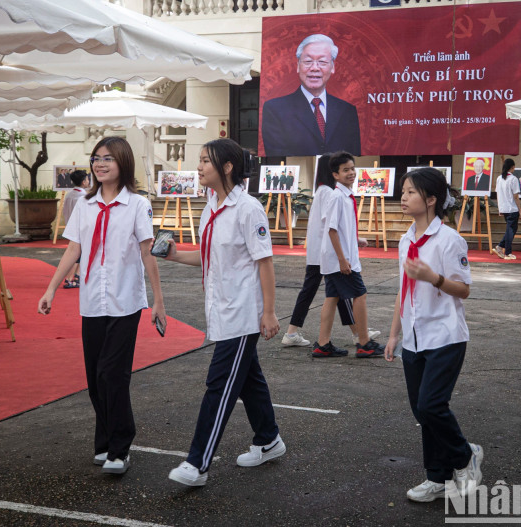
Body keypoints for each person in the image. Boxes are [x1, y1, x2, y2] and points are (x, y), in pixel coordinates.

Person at [37, 137, 167, 476]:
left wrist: (158, 301)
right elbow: (72, 251)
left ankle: (121, 447)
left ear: (123, 162)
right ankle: (105, 441)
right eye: (96, 158)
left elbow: (146, 253)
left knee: (113, 372)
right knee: (95, 376)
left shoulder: (138, 205)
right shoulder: (85, 205)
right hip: (92, 301)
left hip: (125, 302)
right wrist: (51, 289)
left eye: (108, 158)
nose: (100, 164)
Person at [165, 138, 284, 487]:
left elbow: (265, 262)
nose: (198, 167)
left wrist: (270, 312)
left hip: (243, 313)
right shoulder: (211, 206)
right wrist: (173, 255)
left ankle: (197, 463)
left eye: (205, 161)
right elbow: (208, 258)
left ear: (227, 167)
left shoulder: (248, 209)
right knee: (248, 379)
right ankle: (269, 439)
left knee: (220, 383)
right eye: (199, 160)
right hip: (221, 308)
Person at [385, 167, 483, 503]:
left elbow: (464, 290)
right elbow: (403, 288)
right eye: (403, 191)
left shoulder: (450, 239)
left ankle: (465, 456)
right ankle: (438, 478)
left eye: (411, 192)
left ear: (431, 199)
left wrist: (434, 277)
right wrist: (393, 334)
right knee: (421, 411)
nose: (403, 197)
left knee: (431, 404)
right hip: (413, 338)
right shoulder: (405, 240)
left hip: (445, 336)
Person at [315, 151, 384, 358]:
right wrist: (342, 259)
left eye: (353, 168)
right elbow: (332, 230)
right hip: (340, 260)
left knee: (332, 297)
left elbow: (340, 229)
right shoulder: (337, 197)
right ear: (335, 175)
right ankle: (364, 343)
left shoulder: (345, 196)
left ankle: (323, 344)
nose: (351, 173)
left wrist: (356, 239)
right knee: (360, 294)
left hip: (338, 257)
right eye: (346, 170)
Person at [262, 34, 361, 157]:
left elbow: (353, 155)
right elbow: (276, 154)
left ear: (333, 67)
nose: (314, 68)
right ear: (298, 66)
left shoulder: (347, 111)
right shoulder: (275, 109)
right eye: (308, 61)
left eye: (322, 62)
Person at [62, 169, 91, 289]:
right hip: (81, 229)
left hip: (71, 226)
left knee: (81, 253)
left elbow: (65, 212)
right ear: (84, 182)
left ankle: (78, 276)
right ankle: (69, 278)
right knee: (77, 254)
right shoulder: (83, 196)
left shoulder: (69, 195)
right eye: (87, 179)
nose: (88, 181)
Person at [493, 159, 519, 260]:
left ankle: (500, 247)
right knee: (511, 230)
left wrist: (500, 208)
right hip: (512, 208)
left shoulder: (499, 178)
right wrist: (520, 210)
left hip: (504, 207)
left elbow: (498, 194)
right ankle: (507, 251)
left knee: (511, 229)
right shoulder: (513, 179)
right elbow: (516, 196)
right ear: (512, 167)